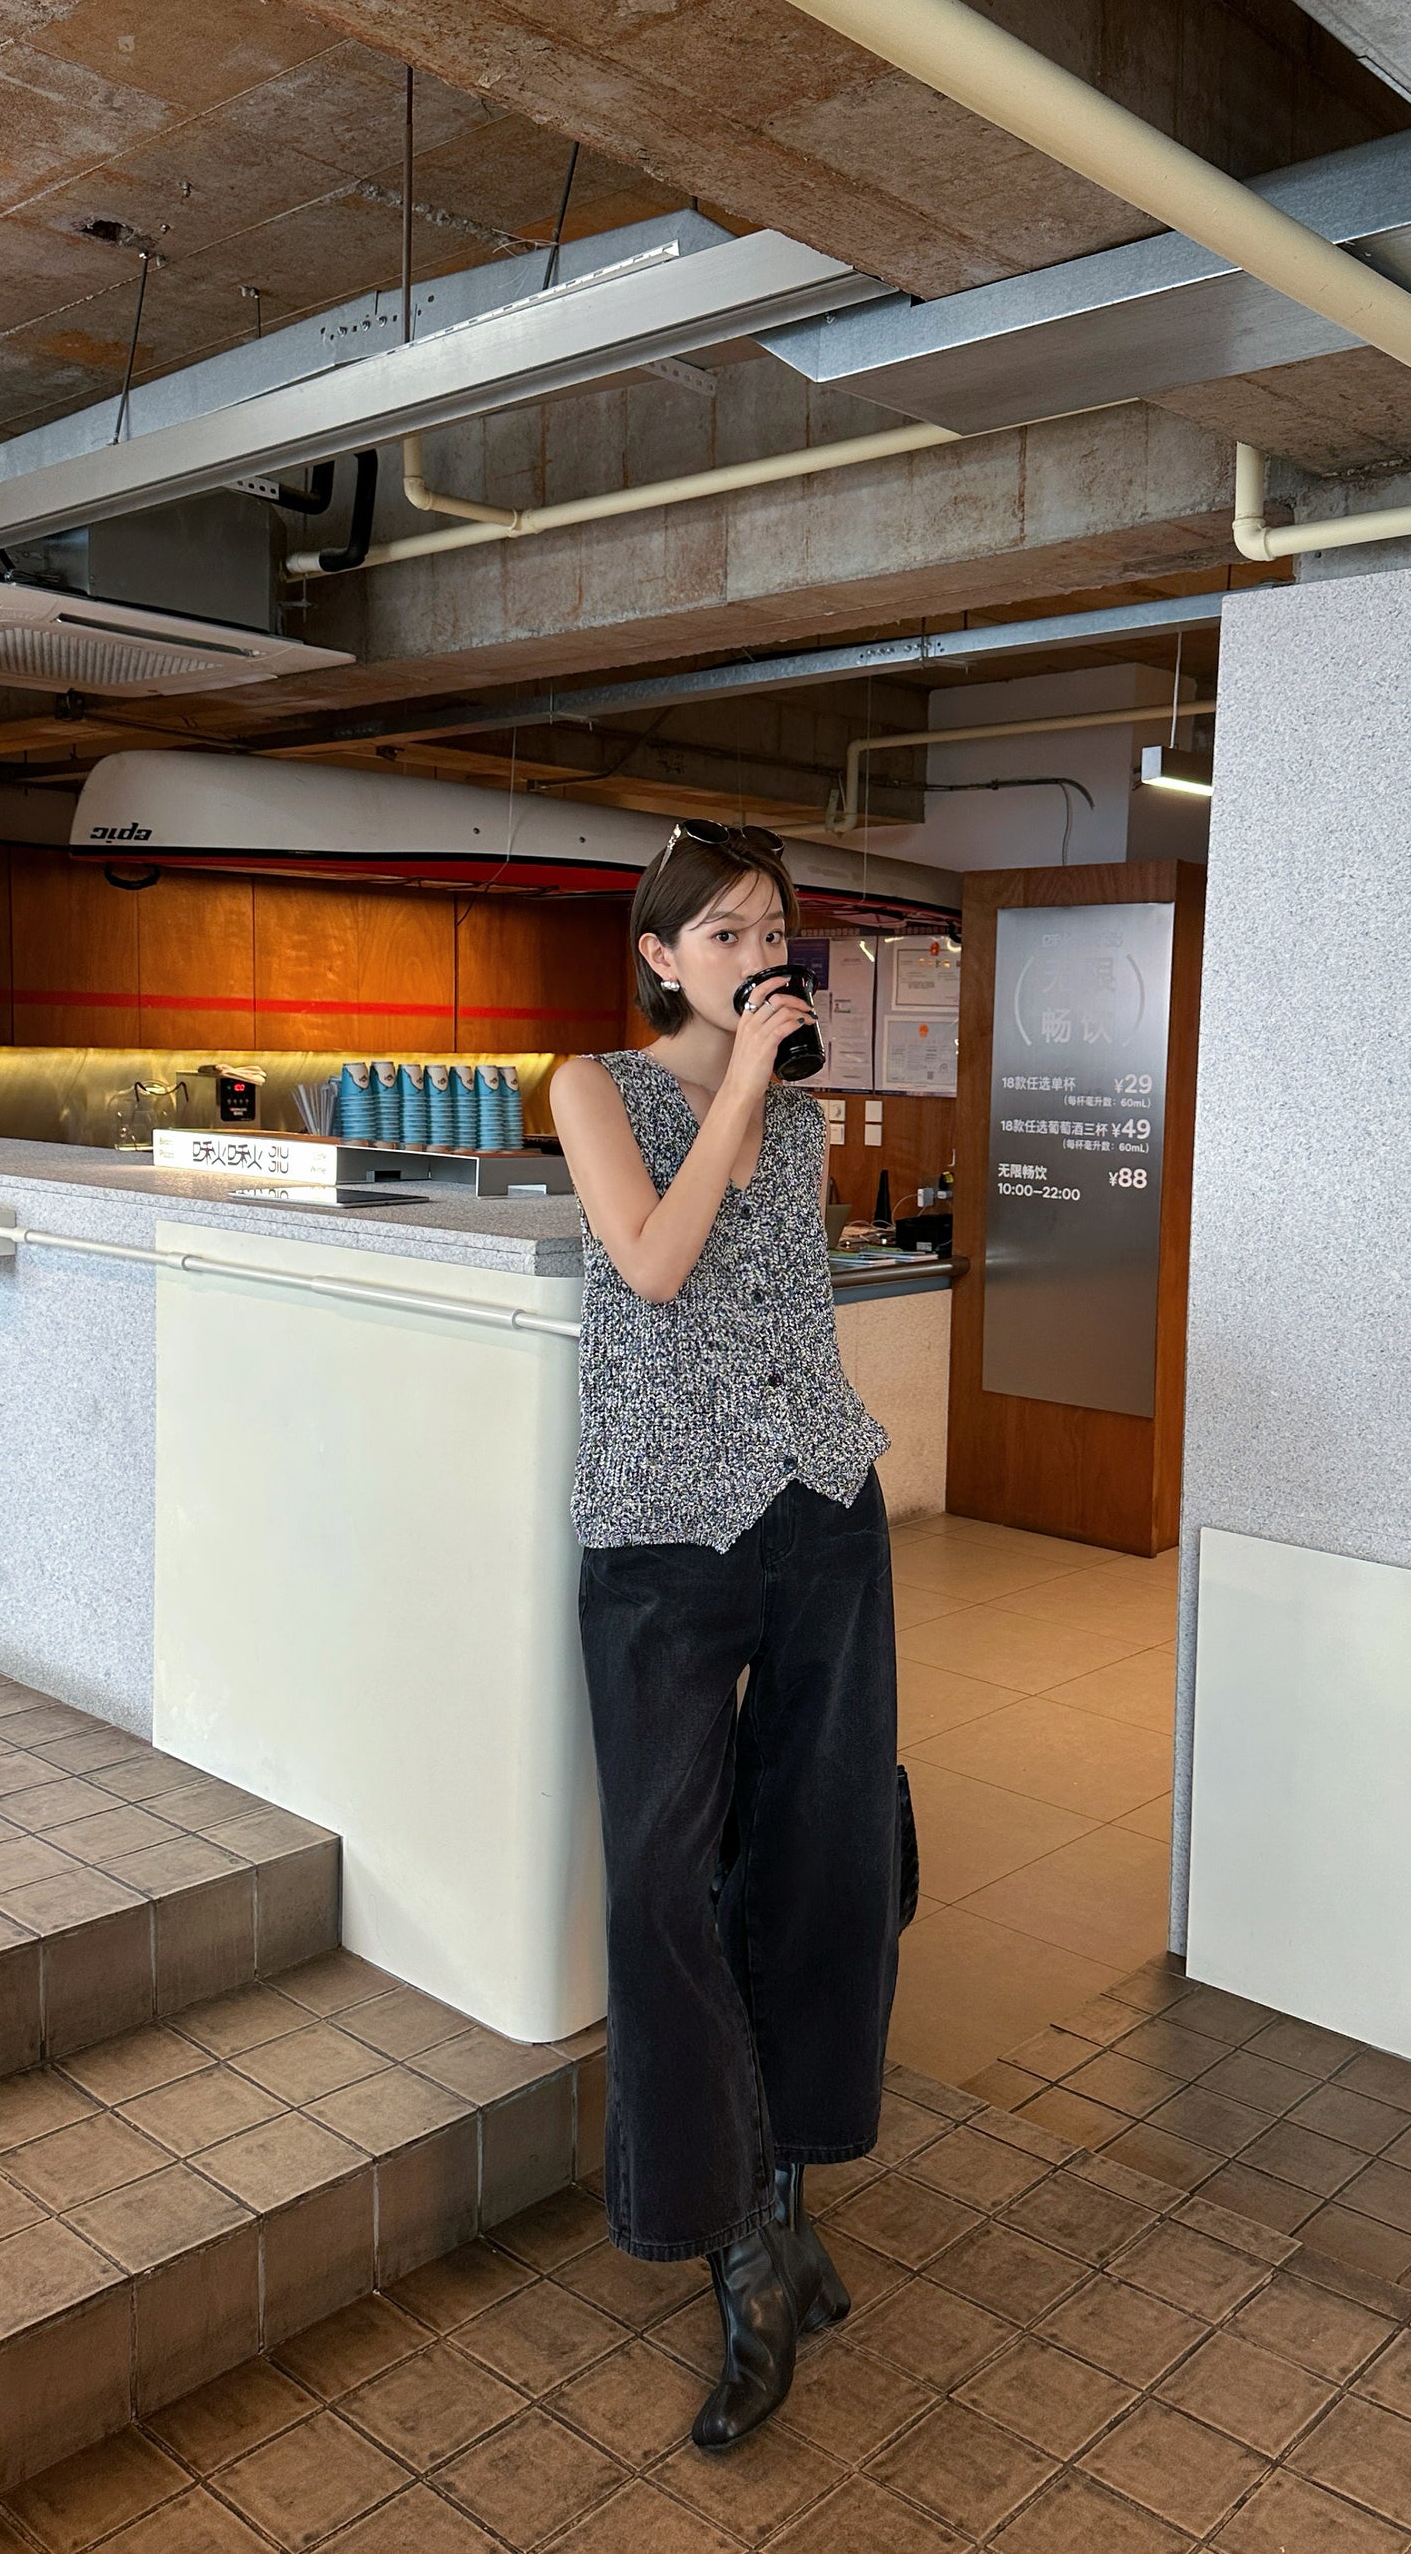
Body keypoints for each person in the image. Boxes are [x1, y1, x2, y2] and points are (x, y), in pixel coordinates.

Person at [550, 819, 901, 2453]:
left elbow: (785, 1312)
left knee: (824, 1858)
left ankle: (789, 2195)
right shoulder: (592, 1088)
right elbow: (653, 1262)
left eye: (773, 931)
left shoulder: (805, 1115)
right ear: (660, 955)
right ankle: (735, 2237)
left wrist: (766, 1094)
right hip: (659, 1531)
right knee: (657, 1885)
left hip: (818, 1505)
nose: (758, 956)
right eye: (725, 932)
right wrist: (740, 1086)